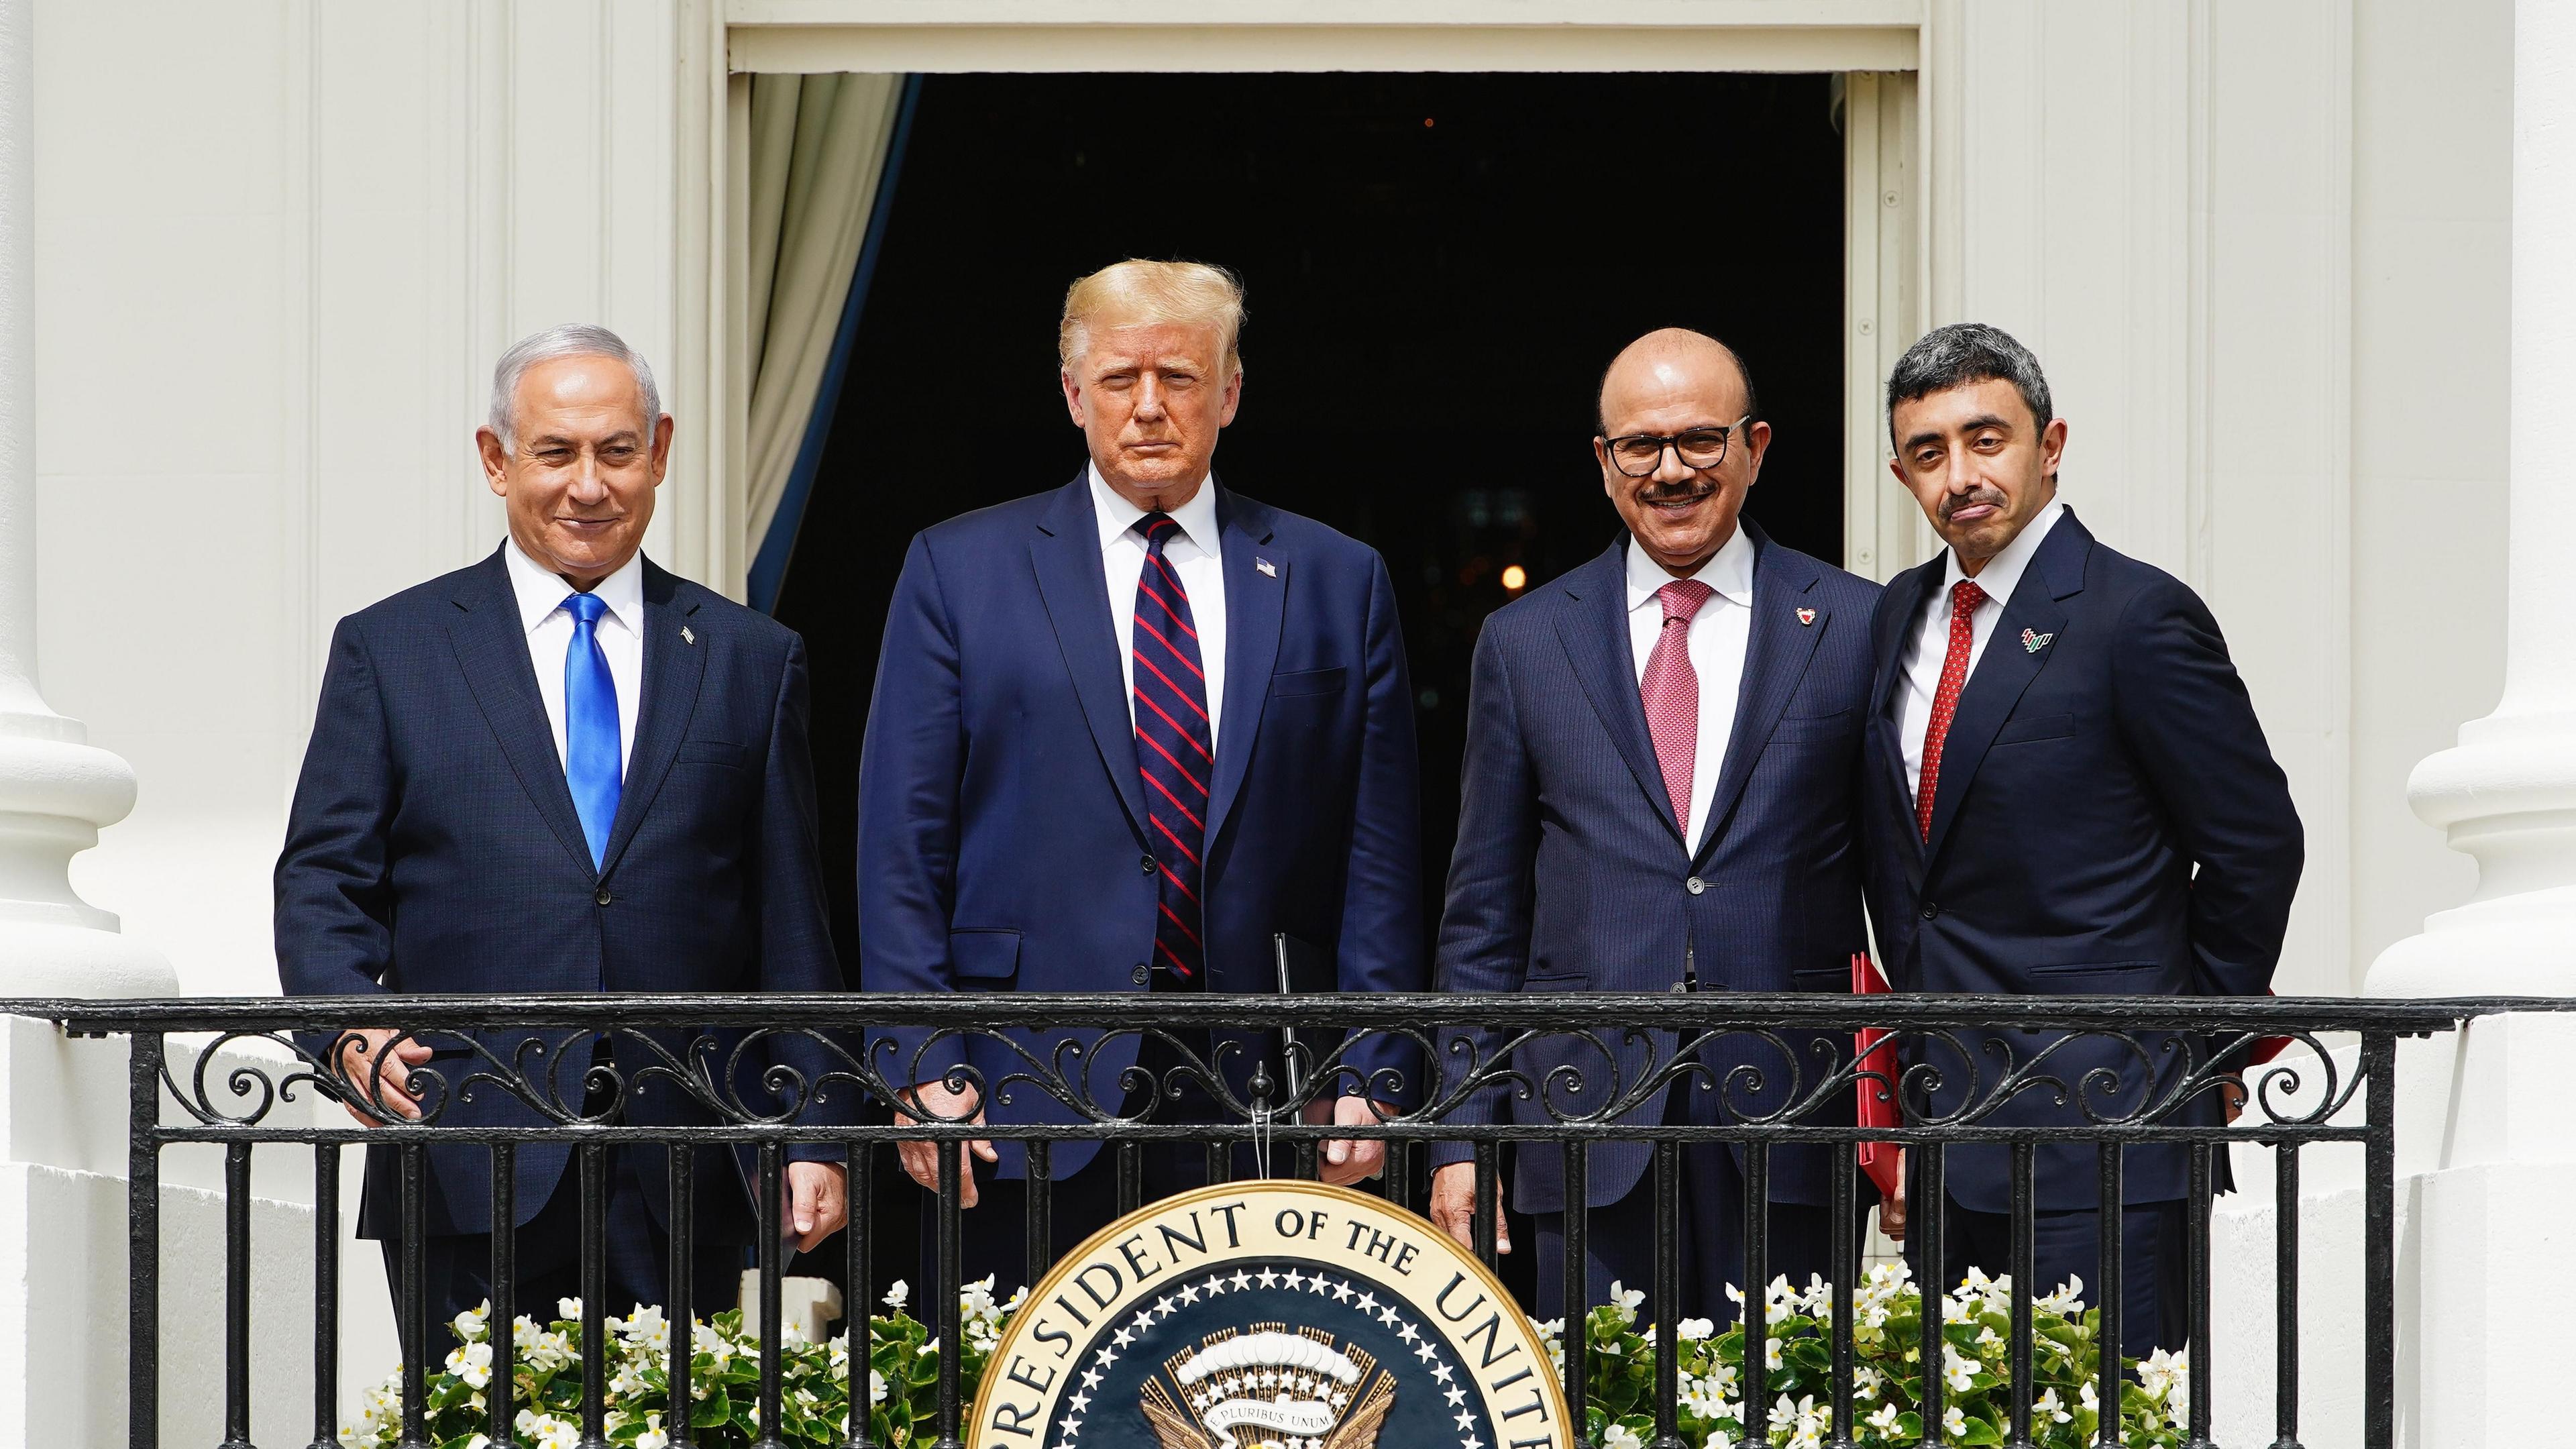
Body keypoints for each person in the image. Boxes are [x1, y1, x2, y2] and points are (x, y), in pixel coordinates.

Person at [858, 260, 1424, 1307]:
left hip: (1264, 1086)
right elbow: (904, 838)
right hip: (1023, 1080)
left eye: (1180, 374)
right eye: (1121, 378)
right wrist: (921, 1056)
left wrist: (1372, 1072)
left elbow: (1376, 849)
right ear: (1073, 395)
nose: (1151, 405)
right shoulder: (958, 569)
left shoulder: (1335, 576)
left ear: (1232, 393)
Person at [276, 324, 849, 1332]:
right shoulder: (393, 649)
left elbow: (790, 924)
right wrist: (345, 1029)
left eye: (617, 451)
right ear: (497, 461)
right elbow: (324, 881)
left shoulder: (754, 659)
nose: (589, 485)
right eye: (556, 453)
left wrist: (813, 1132)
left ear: (661, 451)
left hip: (688, 1162)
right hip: (465, 1145)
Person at [1858, 323, 2303, 1351]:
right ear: (1901, 472)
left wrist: (2207, 1044)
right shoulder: (1898, 620)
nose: (1961, 476)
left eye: (1987, 439)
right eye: (1930, 453)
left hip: (2113, 1126)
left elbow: (2255, 841)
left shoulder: (2137, 615)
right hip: (1950, 1125)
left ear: (2049, 444)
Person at [1426, 328, 1882, 1320]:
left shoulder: (1855, 625)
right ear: (1603, 463)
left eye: (1701, 441)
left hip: (1793, 1114)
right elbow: (1484, 914)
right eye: (1641, 446)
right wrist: (1463, 1138)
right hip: (1582, 1120)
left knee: (1787, 1412)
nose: (1671, 470)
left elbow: (1905, 894)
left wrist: (1913, 1127)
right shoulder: (1524, 641)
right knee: (1601, 1412)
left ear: (1755, 448)